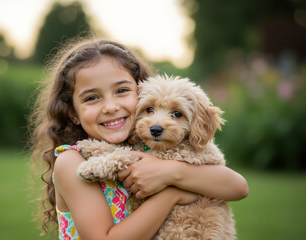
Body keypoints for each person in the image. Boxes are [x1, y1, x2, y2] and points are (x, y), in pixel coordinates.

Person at [29, 37, 248, 240]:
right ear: (72, 113)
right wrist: (173, 193)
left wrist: (171, 172)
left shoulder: (149, 148)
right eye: (92, 97)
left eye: (122, 90)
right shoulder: (71, 162)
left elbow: (238, 187)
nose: (111, 107)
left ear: (140, 91)